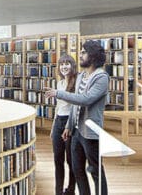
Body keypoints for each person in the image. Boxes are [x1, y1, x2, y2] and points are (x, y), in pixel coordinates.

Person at [45, 40, 108, 195]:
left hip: (91, 133)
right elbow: (75, 105)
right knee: (77, 169)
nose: (80, 55)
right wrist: (69, 126)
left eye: (83, 52)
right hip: (77, 132)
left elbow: (85, 99)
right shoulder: (82, 76)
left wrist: (58, 93)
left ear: (92, 56)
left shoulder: (101, 77)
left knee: (95, 170)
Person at [50, 54, 78, 195]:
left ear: (72, 66)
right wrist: (53, 127)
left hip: (70, 122)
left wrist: (68, 126)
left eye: (67, 64)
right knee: (57, 159)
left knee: (70, 160)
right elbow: (58, 106)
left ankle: (71, 189)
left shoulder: (76, 83)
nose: (64, 66)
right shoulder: (59, 83)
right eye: (61, 64)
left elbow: (74, 107)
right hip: (58, 122)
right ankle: (58, 191)